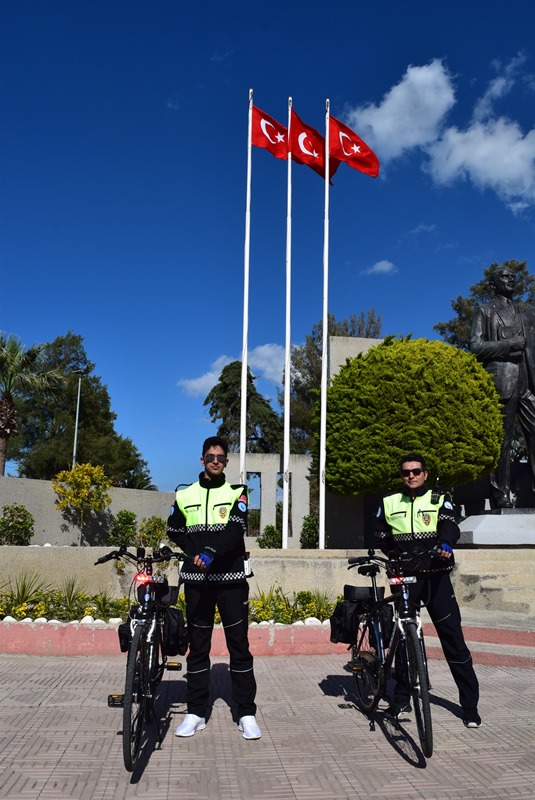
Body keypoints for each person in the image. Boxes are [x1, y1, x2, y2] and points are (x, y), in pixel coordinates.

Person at [375, 454, 481, 728]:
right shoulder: (389, 502)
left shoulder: (438, 498)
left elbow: (449, 524)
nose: (411, 476)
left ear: (424, 473)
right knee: (404, 639)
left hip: (435, 577)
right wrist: (392, 553)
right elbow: (381, 533)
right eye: (406, 472)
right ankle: (401, 699)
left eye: (416, 471)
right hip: (404, 577)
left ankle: (469, 706)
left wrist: (445, 543)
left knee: (454, 641)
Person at [167, 436, 261, 740]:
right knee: (198, 649)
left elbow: (235, 529)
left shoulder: (238, 492)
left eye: (220, 456)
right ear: (202, 459)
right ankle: (196, 712)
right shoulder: (184, 494)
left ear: (226, 462)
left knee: (239, 647)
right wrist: (196, 552)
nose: (215, 460)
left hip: (231, 581)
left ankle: (246, 712)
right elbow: (175, 529)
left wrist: (210, 551)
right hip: (197, 583)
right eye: (210, 456)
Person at [470, 263, 535, 508]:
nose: (510, 280)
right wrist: (510, 344)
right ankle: (501, 496)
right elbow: (476, 347)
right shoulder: (484, 310)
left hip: (529, 382)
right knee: (503, 441)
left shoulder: (529, 313)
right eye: (505, 277)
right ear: (493, 283)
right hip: (503, 380)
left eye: (513, 277)